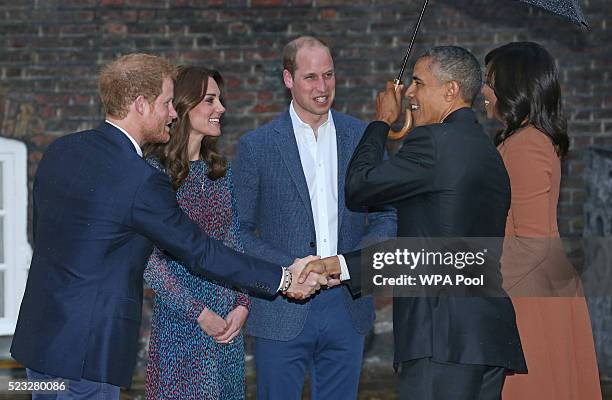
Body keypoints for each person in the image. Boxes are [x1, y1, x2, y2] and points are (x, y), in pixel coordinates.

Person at [10, 53, 325, 400]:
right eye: (165, 103)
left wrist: (244, 300)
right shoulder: (141, 179)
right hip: (89, 354)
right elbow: (199, 251)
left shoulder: (61, 150)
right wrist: (282, 278)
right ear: (141, 105)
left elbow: (48, 238)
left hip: (39, 346)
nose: (172, 113)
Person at [300, 46, 527, 399]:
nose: (408, 92)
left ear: (450, 90)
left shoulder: (435, 143)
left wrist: (380, 122)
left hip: (443, 336)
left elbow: (359, 187)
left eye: (418, 83)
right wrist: (343, 267)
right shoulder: (489, 152)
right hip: (486, 334)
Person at [233, 36, 396, 399]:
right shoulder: (256, 146)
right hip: (280, 307)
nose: (322, 88)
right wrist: (289, 269)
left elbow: (387, 215)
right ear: (288, 79)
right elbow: (237, 232)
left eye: (329, 75)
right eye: (310, 77)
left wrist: (348, 264)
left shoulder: (362, 138)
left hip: (348, 306)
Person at [482, 41, 602, 399]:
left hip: (529, 294)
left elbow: (531, 241)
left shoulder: (527, 145)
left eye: (490, 81)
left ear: (512, 86)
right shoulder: (521, 140)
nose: (484, 92)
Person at [142, 66, 250, 399]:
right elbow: (149, 261)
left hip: (228, 329)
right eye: (210, 100)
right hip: (180, 327)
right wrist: (199, 314)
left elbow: (234, 242)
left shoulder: (220, 173)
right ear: (185, 106)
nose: (221, 109)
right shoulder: (152, 173)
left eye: (220, 100)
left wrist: (243, 306)